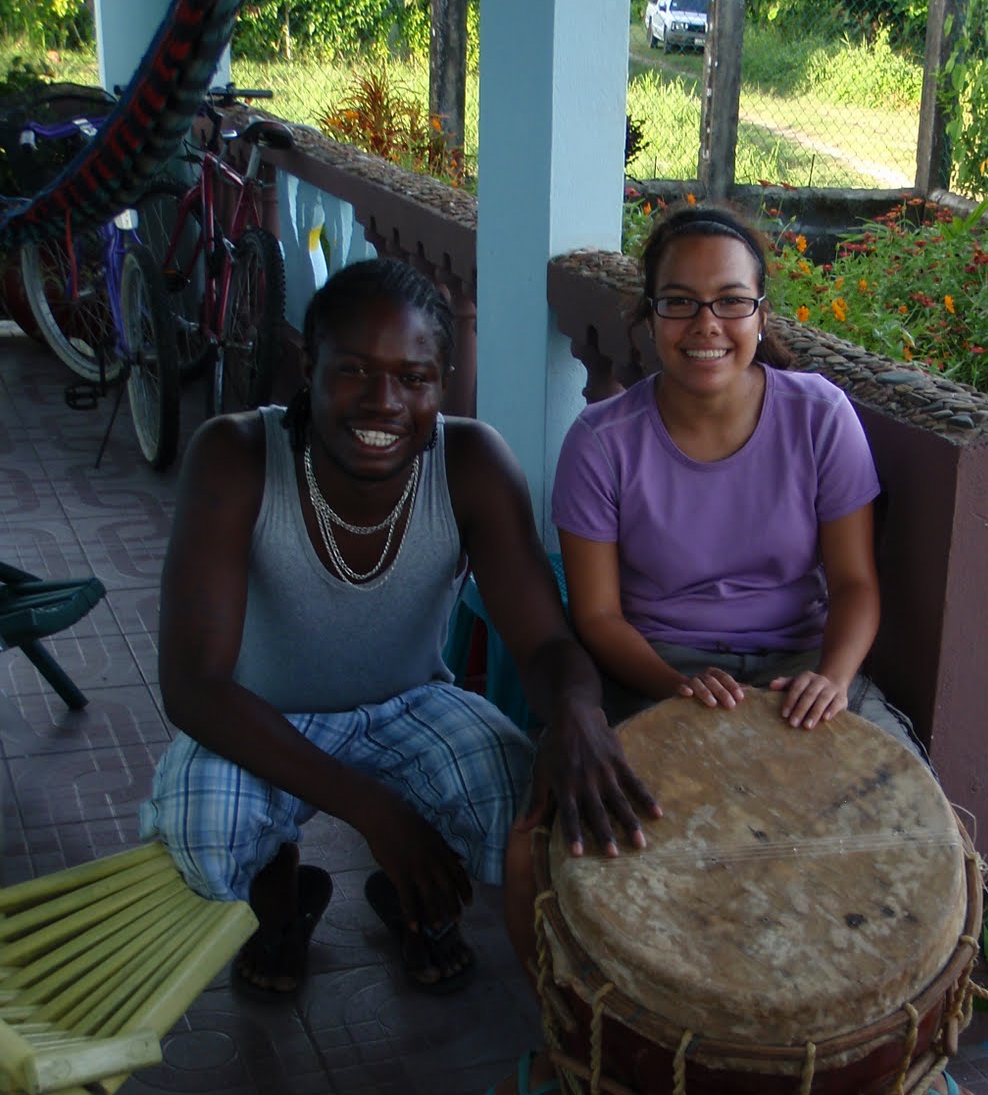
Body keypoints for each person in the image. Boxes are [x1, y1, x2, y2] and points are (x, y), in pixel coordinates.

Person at [485, 203, 988, 1095]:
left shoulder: (818, 416)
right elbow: (596, 617)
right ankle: (564, 1040)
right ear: (647, 315)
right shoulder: (602, 440)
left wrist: (837, 678)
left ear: (762, 314)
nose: (705, 326)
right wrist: (676, 686)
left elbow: (854, 584)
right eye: (679, 302)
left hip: (805, 666)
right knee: (539, 849)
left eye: (729, 302)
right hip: (658, 668)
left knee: (923, 834)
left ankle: (923, 1053)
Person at [140, 257, 658, 1002]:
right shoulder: (237, 455)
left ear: (441, 382)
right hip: (258, 713)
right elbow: (194, 687)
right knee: (202, 838)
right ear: (308, 366)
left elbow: (545, 642)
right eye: (353, 371)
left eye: (413, 378)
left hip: (409, 701)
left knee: (539, 815)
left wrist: (577, 715)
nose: (383, 402)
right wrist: (378, 814)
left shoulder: (471, 461)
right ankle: (282, 894)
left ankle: (419, 899)